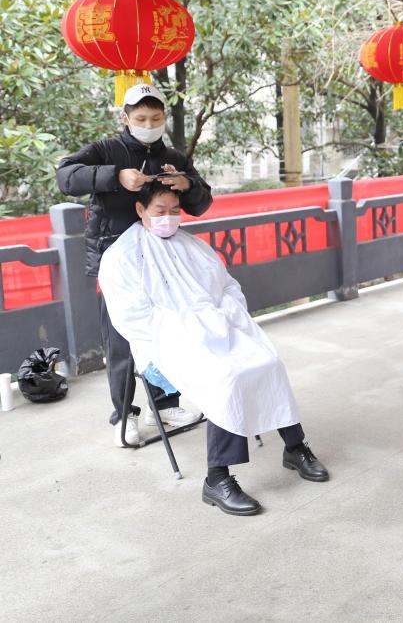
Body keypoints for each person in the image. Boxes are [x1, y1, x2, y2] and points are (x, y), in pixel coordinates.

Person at [97, 182, 329, 515]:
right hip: (167, 340)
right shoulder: (122, 256)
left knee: (267, 362)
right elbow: (133, 317)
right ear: (140, 209)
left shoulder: (193, 246)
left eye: (174, 211)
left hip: (219, 328)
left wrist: (222, 316)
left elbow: (228, 287)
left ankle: (295, 447)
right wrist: (191, 326)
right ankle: (217, 479)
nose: (168, 217)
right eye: (160, 211)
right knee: (226, 376)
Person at [56, 83, 212, 445]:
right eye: (140, 118)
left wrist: (186, 184)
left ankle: (166, 404)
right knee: (121, 341)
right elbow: (65, 176)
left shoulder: (173, 156)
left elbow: (202, 203)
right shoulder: (105, 149)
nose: (149, 124)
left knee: (168, 331)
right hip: (117, 261)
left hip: (163, 261)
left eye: (155, 118)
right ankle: (125, 414)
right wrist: (114, 176)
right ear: (125, 118)